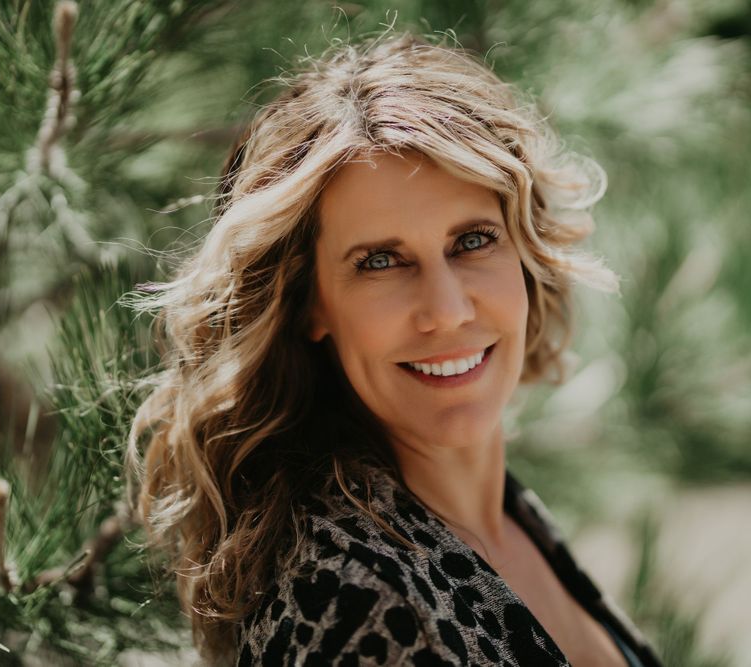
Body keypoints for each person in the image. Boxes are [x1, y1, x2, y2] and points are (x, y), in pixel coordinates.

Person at [127, 32, 663, 667]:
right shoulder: (353, 600)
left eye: (473, 241)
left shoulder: (506, 517)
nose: (448, 310)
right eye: (381, 261)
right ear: (309, 305)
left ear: (524, 251)